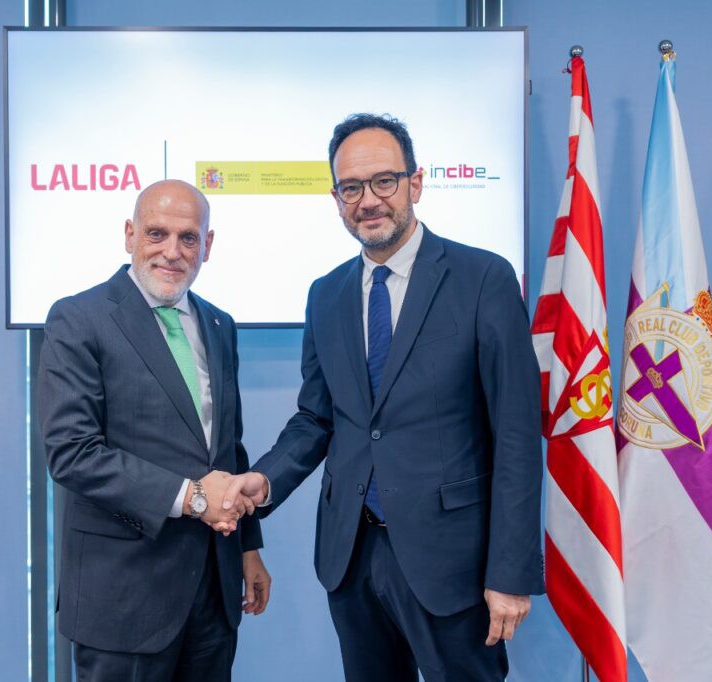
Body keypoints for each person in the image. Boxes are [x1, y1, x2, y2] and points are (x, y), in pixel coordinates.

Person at [224, 114, 543, 680]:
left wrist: (511, 571)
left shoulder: (483, 279)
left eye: (384, 181)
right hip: (352, 557)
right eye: (351, 187)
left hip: (454, 561)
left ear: (415, 183)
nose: (368, 200)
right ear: (336, 199)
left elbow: (516, 435)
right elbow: (317, 418)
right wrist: (266, 479)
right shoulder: (325, 294)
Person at [38, 179, 270, 682]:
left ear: (207, 245)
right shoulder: (78, 318)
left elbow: (228, 449)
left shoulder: (219, 324)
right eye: (156, 233)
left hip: (213, 591)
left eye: (188, 238)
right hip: (122, 599)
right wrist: (195, 499)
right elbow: (72, 453)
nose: (172, 251)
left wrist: (247, 548)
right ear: (130, 234)